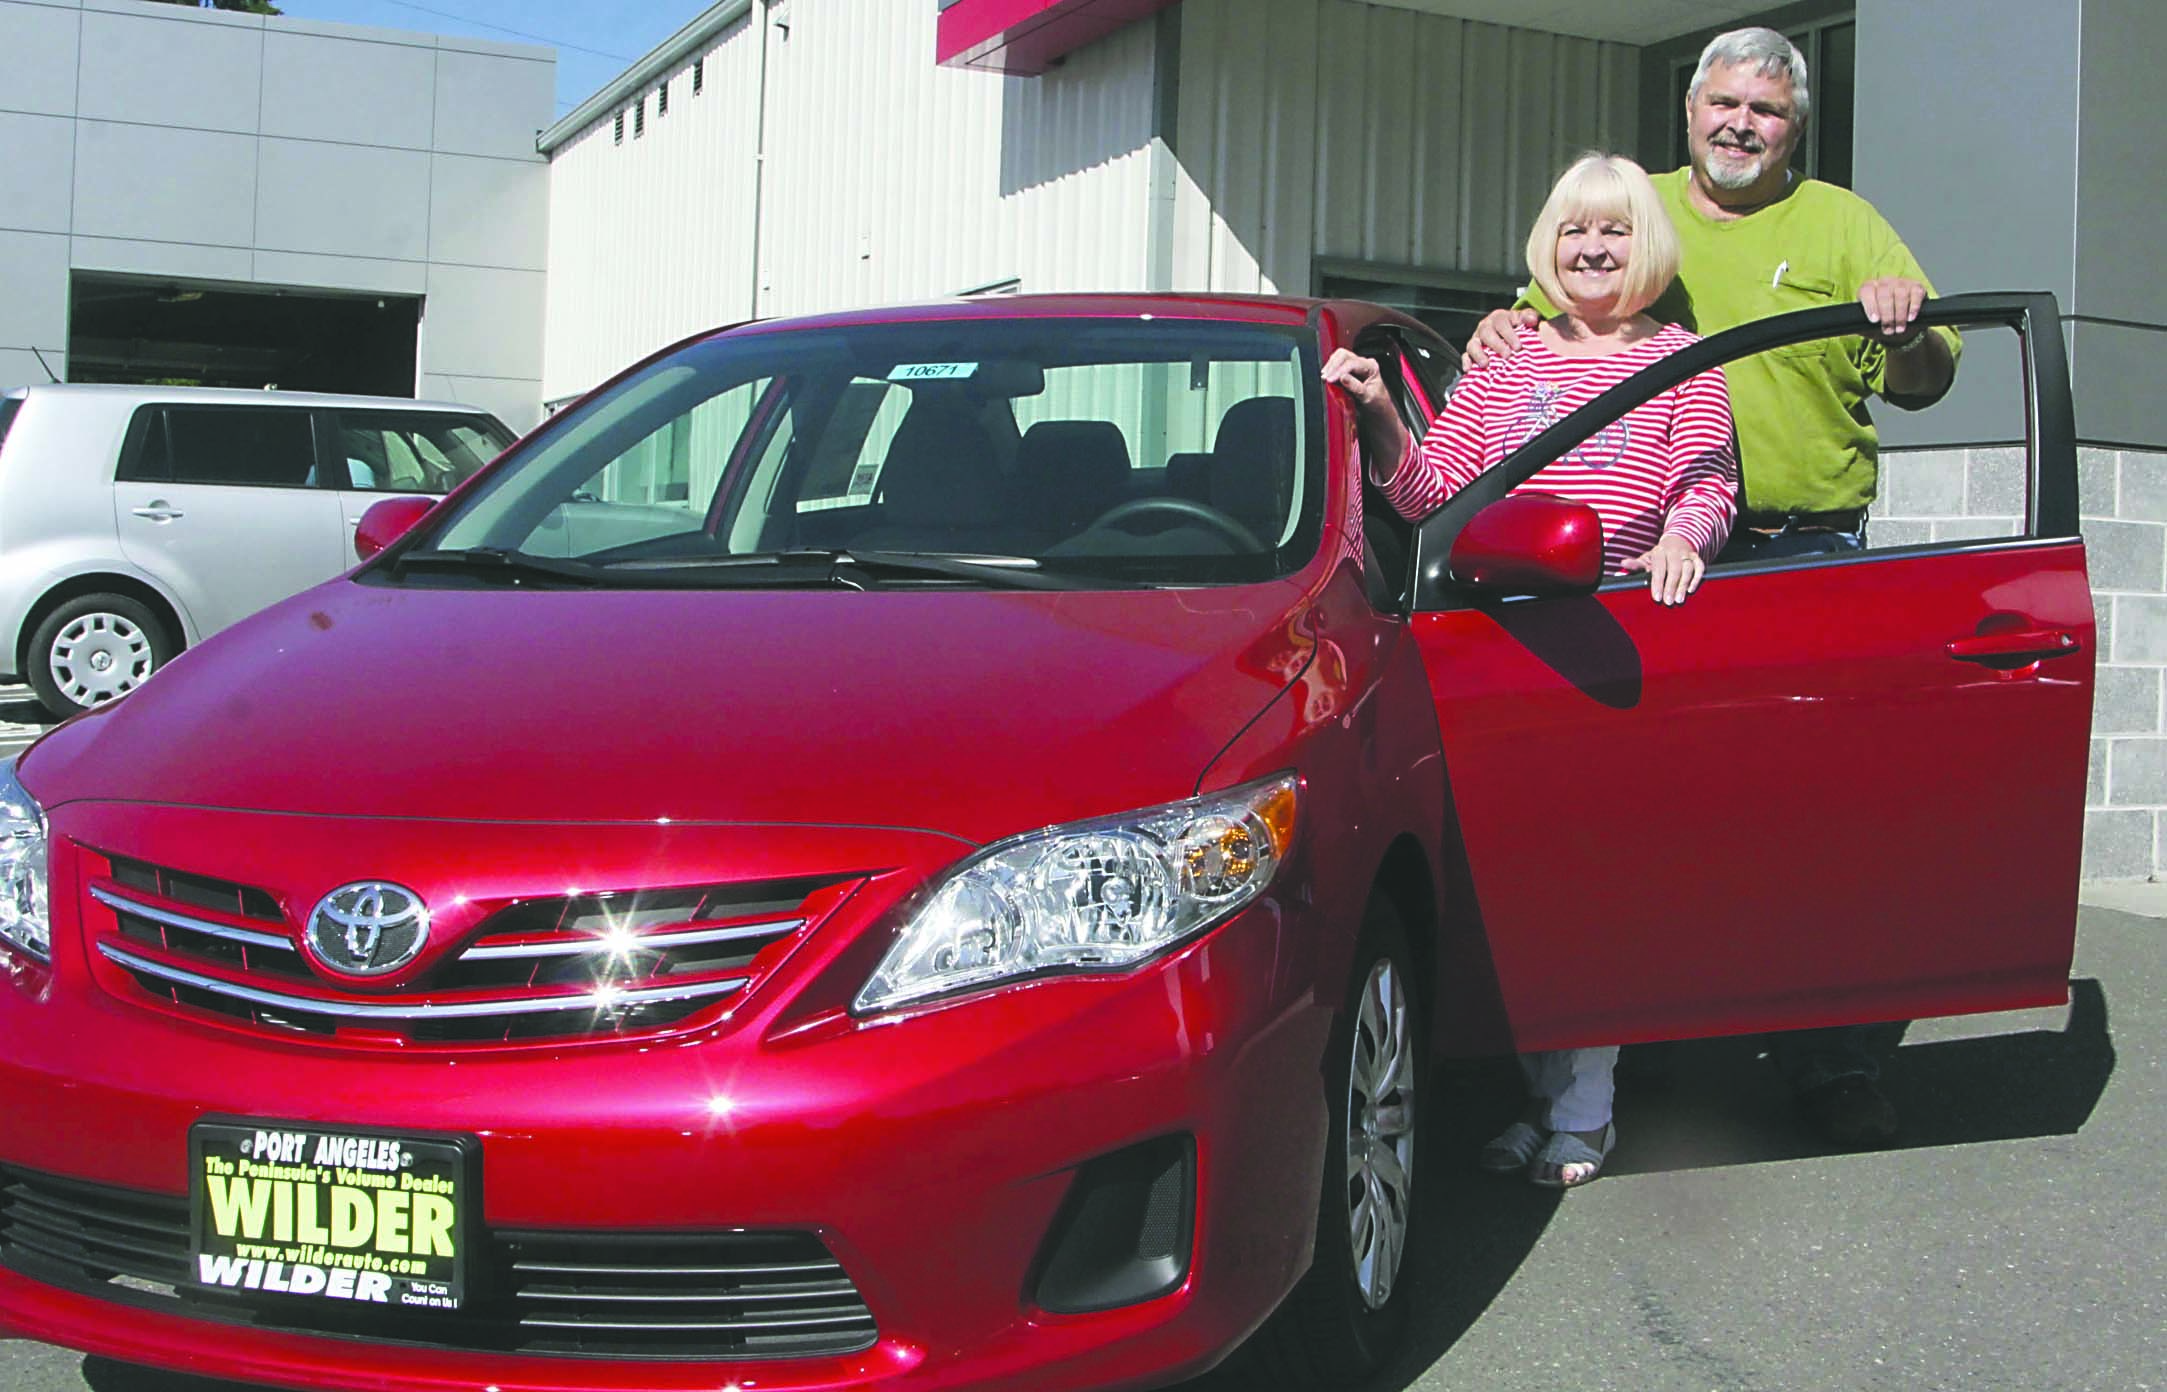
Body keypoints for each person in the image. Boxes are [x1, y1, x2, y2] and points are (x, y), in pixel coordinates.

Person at [1462, 27, 1955, 1149]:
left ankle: (1835, 1066)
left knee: (1825, 825)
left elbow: (1926, 382)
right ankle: (1645, 1048)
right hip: (1657, 562)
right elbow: (1551, 321)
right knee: (1651, 823)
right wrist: (1500, 325)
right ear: (1689, 113)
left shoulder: (1840, 222)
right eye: (1723, 103)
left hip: (1805, 557)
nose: (1741, 124)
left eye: (1766, 111)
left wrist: (1909, 327)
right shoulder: (1639, 210)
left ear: (1796, 127)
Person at [1324, 153, 1738, 1185]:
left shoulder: (1688, 359)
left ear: (1646, 248)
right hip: (1492, 650)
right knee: (1518, 883)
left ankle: (1584, 1112)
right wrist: (1378, 408)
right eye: (1571, 231)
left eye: (1613, 231)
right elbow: (1431, 492)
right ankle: (1541, 1100)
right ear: (1545, 248)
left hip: (1613, 641)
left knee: (1593, 885)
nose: (1591, 249)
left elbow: (1711, 482)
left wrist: (1685, 539)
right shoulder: (1502, 362)